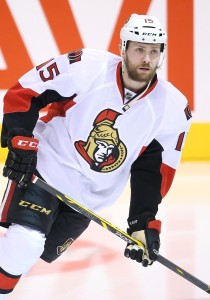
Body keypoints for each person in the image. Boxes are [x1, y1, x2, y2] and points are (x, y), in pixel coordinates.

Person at [0, 14, 192, 298]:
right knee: (25, 243)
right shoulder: (87, 67)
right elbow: (25, 93)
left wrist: (142, 222)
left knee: (34, 254)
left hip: (88, 200)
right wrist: (20, 138)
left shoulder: (173, 109)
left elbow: (153, 171)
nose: (146, 59)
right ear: (123, 47)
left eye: (154, 51)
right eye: (139, 49)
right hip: (46, 170)